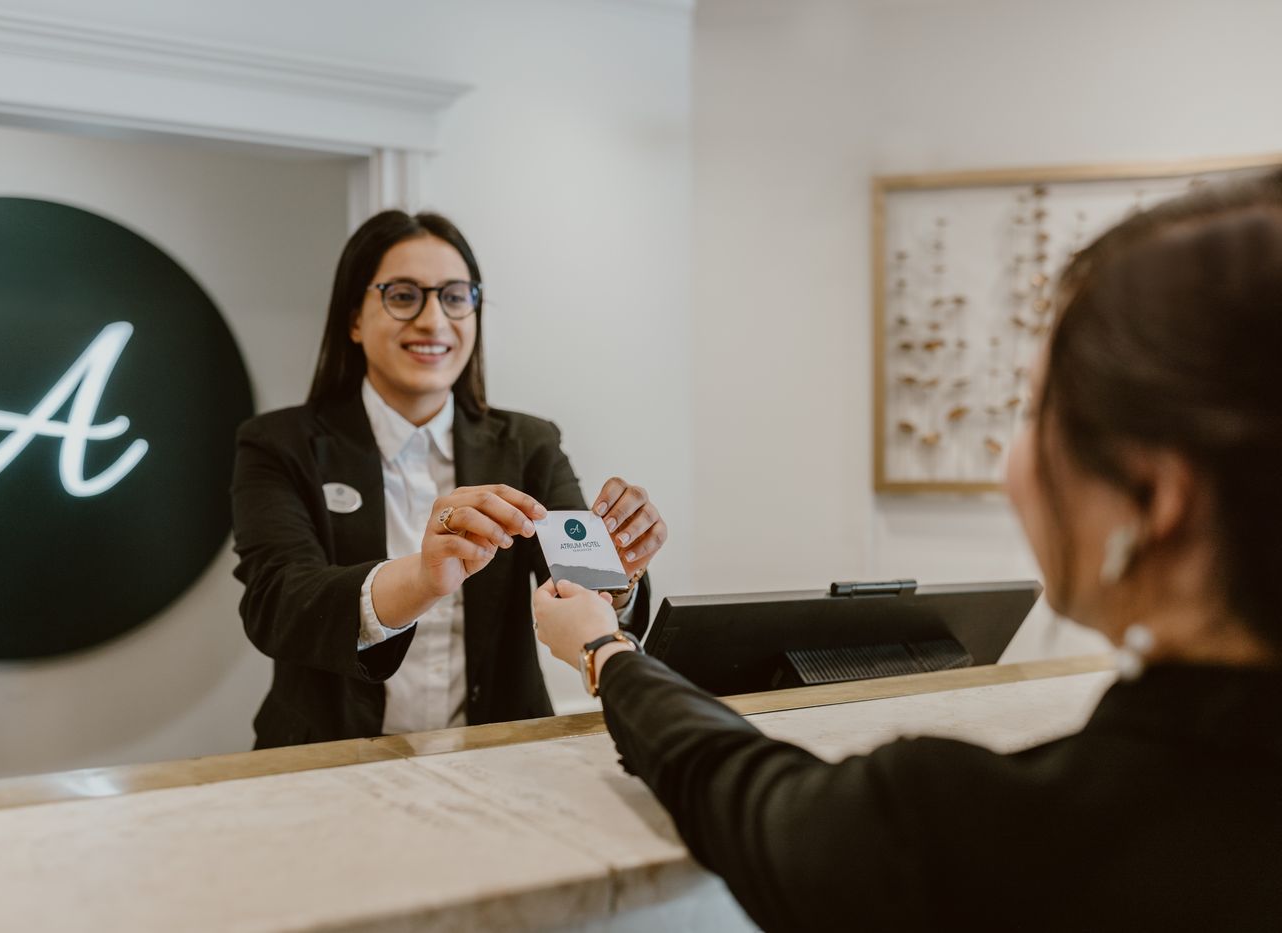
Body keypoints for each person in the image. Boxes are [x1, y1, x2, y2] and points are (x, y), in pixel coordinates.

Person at [534, 170, 1282, 931]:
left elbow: (742, 793)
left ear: (1154, 500)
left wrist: (604, 650)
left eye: (1033, 411)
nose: (1008, 459)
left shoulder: (991, 834)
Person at [232, 210, 667, 748]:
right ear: (354, 319)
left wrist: (615, 572)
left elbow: (577, 576)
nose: (434, 321)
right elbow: (278, 604)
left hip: (501, 757)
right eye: (403, 295)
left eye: (455, 297)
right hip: (326, 758)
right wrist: (421, 578)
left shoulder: (529, 444)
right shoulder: (280, 443)